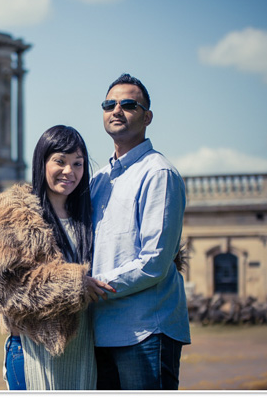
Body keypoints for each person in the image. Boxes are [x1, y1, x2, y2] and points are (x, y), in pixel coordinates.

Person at [0, 126, 113, 390]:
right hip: (31, 351)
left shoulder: (88, 217)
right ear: (41, 161)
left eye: (77, 163)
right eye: (60, 161)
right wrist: (74, 285)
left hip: (83, 352)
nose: (69, 171)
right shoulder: (12, 213)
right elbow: (4, 289)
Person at [90, 74, 189, 391]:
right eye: (110, 104)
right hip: (99, 332)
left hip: (147, 331)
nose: (117, 110)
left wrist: (93, 287)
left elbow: (155, 262)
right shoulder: (97, 180)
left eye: (129, 104)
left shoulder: (158, 172)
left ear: (147, 117)